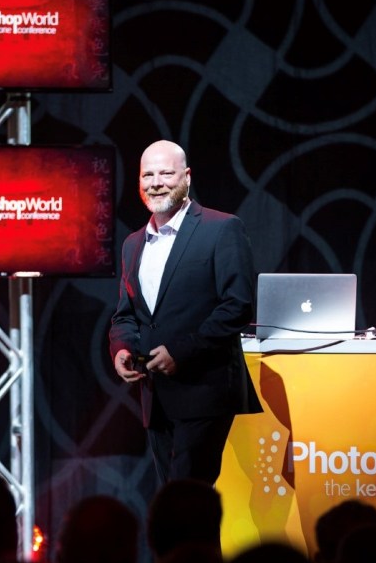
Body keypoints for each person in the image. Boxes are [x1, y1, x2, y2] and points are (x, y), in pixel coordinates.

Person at [109, 139, 262, 487]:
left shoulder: (221, 228)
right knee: (174, 499)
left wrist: (180, 351)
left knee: (187, 496)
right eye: (147, 175)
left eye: (166, 173)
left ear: (187, 177)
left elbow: (237, 306)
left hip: (205, 389)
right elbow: (126, 315)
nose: (155, 183)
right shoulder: (133, 243)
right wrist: (121, 349)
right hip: (155, 396)